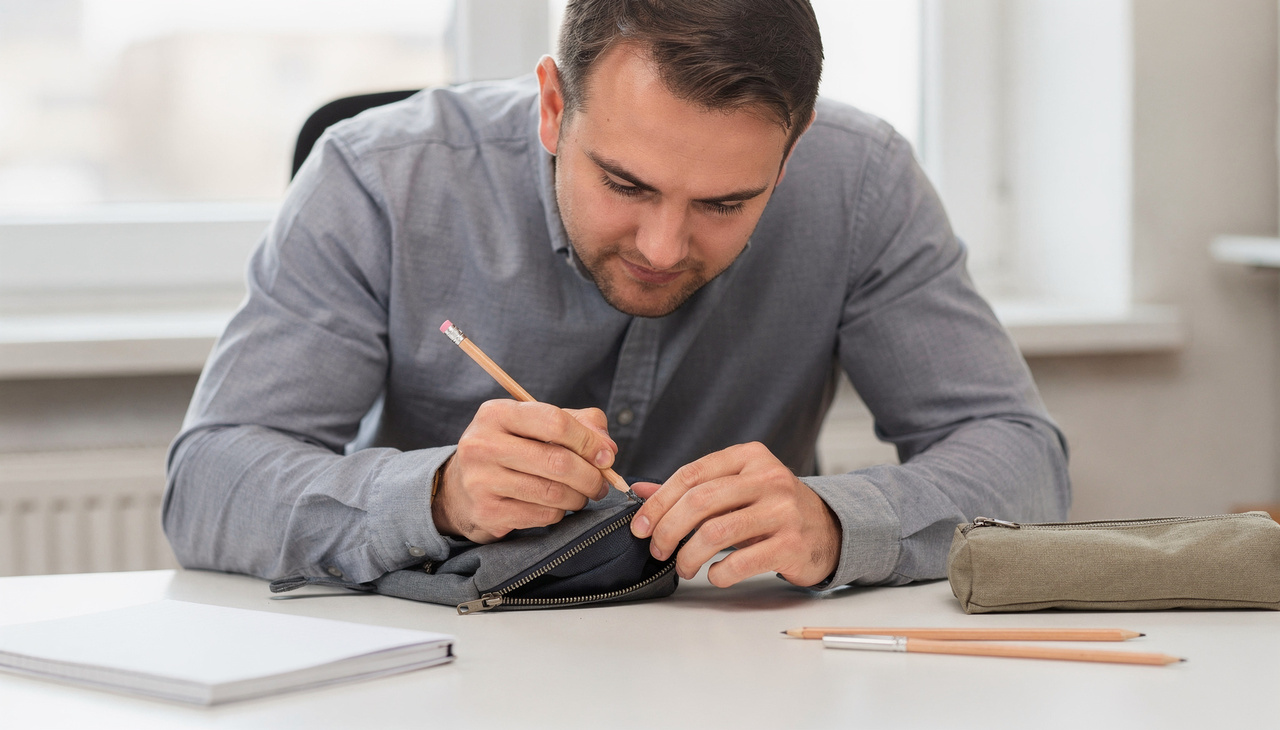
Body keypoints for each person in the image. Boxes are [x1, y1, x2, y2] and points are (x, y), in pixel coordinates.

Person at [164, 0, 1069, 593]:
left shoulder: (861, 181)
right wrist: (434, 494)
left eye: (726, 202)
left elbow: (1024, 461)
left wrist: (839, 521)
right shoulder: (379, 179)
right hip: (442, 661)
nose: (664, 247)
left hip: (741, 666)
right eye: (627, 185)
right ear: (554, 107)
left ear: (791, 153)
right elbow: (207, 484)